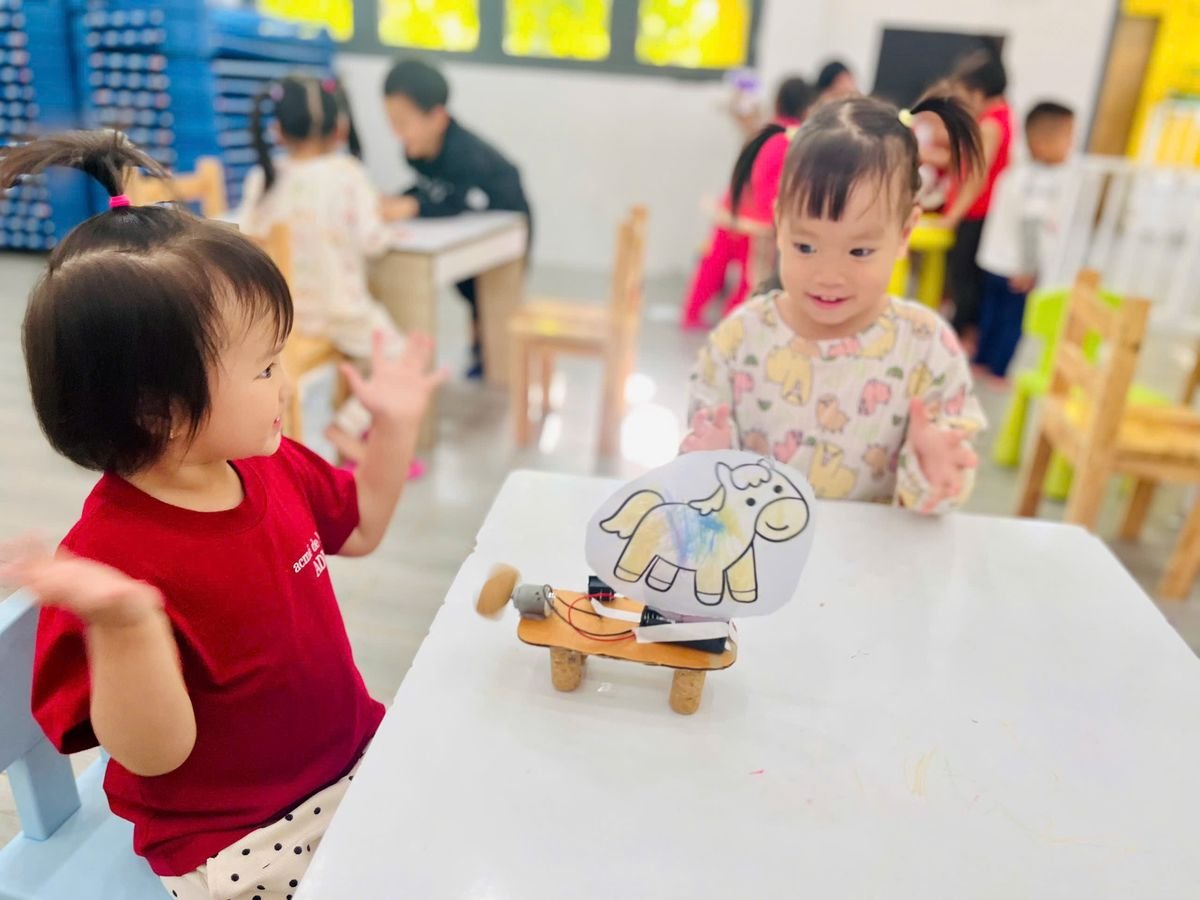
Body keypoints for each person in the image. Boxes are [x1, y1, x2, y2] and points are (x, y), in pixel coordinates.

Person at [0, 130, 444, 898]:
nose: (284, 384)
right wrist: (127, 624)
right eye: (266, 367)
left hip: (352, 759)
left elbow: (363, 527)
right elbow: (153, 755)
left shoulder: (267, 462)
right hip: (247, 837)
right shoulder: (106, 565)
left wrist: (395, 429)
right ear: (160, 411)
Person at [682, 94, 987, 514]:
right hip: (759, 550)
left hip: (871, 554)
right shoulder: (739, 340)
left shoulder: (927, 349)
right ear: (780, 222)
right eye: (805, 246)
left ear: (904, 232)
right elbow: (705, 478)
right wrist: (706, 463)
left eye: (859, 251)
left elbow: (937, 497)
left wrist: (932, 470)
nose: (828, 275)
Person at [240, 74, 410, 465]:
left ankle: (342, 427)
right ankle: (347, 425)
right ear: (340, 129)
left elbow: (248, 237)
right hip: (339, 313)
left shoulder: (262, 178)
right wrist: (389, 229)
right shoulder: (347, 174)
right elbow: (372, 240)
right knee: (402, 357)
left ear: (277, 131)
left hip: (280, 317)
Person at [381, 58, 532, 379]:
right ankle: (480, 349)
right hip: (471, 218)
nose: (397, 133)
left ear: (437, 117)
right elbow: (431, 188)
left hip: (509, 216)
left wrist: (411, 206)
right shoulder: (416, 150)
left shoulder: (464, 153)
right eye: (392, 122)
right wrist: (402, 199)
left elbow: (457, 199)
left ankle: (489, 353)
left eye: (403, 123)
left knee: (488, 293)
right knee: (467, 287)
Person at [681, 76, 814, 329]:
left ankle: (690, 316)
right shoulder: (797, 141)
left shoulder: (762, 131)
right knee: (749, 280)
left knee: (711, 267)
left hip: (730, 211)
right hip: (758, 223)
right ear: (807, 108)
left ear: (778, 101)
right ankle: (732, 327)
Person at [974, 101, 1076, 383]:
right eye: (1068, 138)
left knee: (990, 314)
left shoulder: (1015, 173)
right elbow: (1030, 224)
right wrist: (1028, 267)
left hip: (993, 260)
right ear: (1042, 143)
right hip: (1016, 267)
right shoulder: (1043, 182)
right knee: (1012, 321)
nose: (1070, 146)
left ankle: (980, 360)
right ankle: (999, 370)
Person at [941, 49, 1013, 346]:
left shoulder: (989, 125)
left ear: (978, 92)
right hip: (979, 211)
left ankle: (959, 337)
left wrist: (952, 216)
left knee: (964, 279)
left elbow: (976, 178)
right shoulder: (1002, 116)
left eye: (963, 96)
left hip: (975, 213)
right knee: (966, 278)